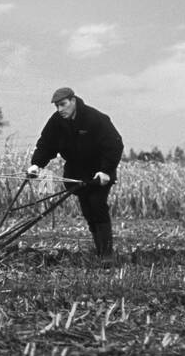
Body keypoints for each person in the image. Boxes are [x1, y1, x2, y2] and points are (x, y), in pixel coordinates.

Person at [26, 87, 123, 262]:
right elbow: (46, 144)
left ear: (73, 101)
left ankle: (107, 254)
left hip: (98, 173)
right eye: (57, 106)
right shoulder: (57, 121)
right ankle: (100, 251)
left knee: (97, 204)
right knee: (87, 210)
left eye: (63, 104)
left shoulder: (95, 119)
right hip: (76, 172)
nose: (60, 110)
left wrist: (106, 170)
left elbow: (115, 145)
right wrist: (36, 164)